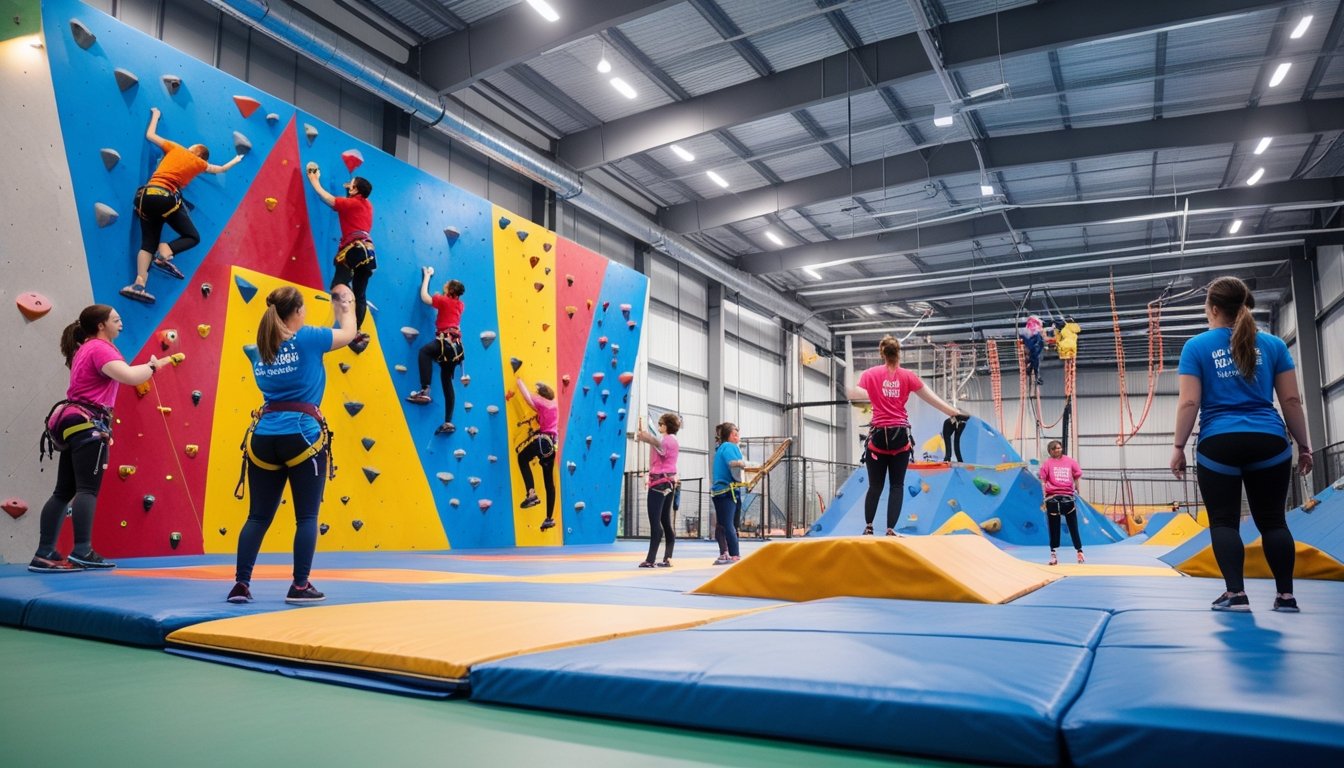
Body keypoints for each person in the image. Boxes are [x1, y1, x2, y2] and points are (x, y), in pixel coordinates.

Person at [1171, 276, 1312, 613]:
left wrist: (1178, 447)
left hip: (1219, 442)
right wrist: (1305, 445)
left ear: (1213, 309)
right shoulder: (1274, 345)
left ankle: (1236, 594)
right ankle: (1286, 596)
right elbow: (1291, 400)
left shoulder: (1197, 346)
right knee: (1274, 521)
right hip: (1269, 441)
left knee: (1223, 522)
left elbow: (1189, 402)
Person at [228, 283, 357, 604]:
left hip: (263, 438)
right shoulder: (309, 337)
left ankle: (241, 585)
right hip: (302, 435)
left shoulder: (258, 348)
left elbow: (257, 348)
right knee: (307, 517)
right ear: (298, 312)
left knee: (257, 517)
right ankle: (300, 586)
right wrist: (347, 305)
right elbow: (349, 333)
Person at [31, 305, 168, 572]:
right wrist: (153, 365)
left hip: (72, 421)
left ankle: (44, 552)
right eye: (115, 320)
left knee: (63, 491)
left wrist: (150, 367)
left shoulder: (84, 348)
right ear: (101, 326)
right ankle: (82, 550)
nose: (121, 323)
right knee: (87, 489)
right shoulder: (100, 348)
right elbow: (130, 376)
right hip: (88, 424)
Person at [847, 334, 967, 536]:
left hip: (878, 438)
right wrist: (954, 412)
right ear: (899, 354)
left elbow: (855, 394)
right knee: (897, 485)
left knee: (875, 486)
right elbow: (932, 398)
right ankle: (890, 529)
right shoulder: (908, 376)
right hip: (900, 438)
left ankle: (868, 527)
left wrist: (873, 397)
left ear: (882, 353)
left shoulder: (870, 374)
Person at [120, 107, 243, 304]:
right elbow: (221, 169)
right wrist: (236, 160)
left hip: (145, 196)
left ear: (194, 150)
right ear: (202, 156)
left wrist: (156, 115)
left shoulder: (175, 148)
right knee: (193, 237)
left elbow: (150, 135)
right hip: (165, 198)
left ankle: (139, 283)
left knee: (147, 244)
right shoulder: (200, 164)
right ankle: (165, 251)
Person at [307, 162, 375, 352]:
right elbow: (351, 206)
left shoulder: (351, 204)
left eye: (351, 186)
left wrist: (314, 179)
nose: (348, 187)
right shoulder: (367, 205)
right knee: (360, 294)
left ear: (355, 190)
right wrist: (350, 189)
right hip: (368, 253)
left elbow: (327, 198)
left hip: (353, 249)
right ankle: (355, 331)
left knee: (339, 285)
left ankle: (344, 328)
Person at [407, 267, 465, 434]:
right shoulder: (460, 305)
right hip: (456, 348)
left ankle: (425, 390)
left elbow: (424, 297)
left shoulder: (444, 300)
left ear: (450, 290)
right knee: (447, 382)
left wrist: (427, 276)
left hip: (444, 342)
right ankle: (448, 422)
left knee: (424, 352)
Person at [636, 413, 681, 568]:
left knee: (655, 522)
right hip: (669, 482)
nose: (659, 426)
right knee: (665, 521)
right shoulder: (673, 440)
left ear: (666, 426)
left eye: (661, 424)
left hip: (659, 483)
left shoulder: (667, 440)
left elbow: (659, 446)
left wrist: (646, 437)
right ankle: (668, 557)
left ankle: (650, 559)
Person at [515, 376, 559, 531]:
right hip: (551, 447)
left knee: (522, 458)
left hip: (543, 442)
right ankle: (549, 518)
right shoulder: (553, 405)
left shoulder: (542, 402)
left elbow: (528, 398)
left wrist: (518, 380)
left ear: (542, 394)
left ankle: (531, 494)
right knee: (549, 483)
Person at [1040, 440, 1085, 564]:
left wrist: (1077, 490)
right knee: (1053, 527)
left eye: (1059, 448)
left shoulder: (1070, 461)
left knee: (1073, 526)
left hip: (1067, 497)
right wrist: (1044, 496)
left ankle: (1079, 551)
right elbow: (1043, 481)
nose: (1057, 450)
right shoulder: (1047, 464)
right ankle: (1053, 554)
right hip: (1053, 498)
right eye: (1054, 449)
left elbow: (1076, 476)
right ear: (1050, 451)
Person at [711, 422, 749, 565]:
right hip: (727, 491)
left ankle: (724, 553)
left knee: (722, 524)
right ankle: (734, 554)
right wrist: (744, 464)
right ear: (728, 436)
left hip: (722, 491)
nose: (737, 437)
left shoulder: (721, 448)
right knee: (728, 524)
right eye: (734, 434)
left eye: (738, 434)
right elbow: (732, 463)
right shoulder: (729, 446)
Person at [1022, 315, 1045, 385]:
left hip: (1029, 350)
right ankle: (1037, 377)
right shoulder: (1037, 332)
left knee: (1033, 361)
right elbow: (1039, 342)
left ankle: (1030, 371)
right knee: (1036, 363)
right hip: (1035, 350)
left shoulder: (1026, 330)